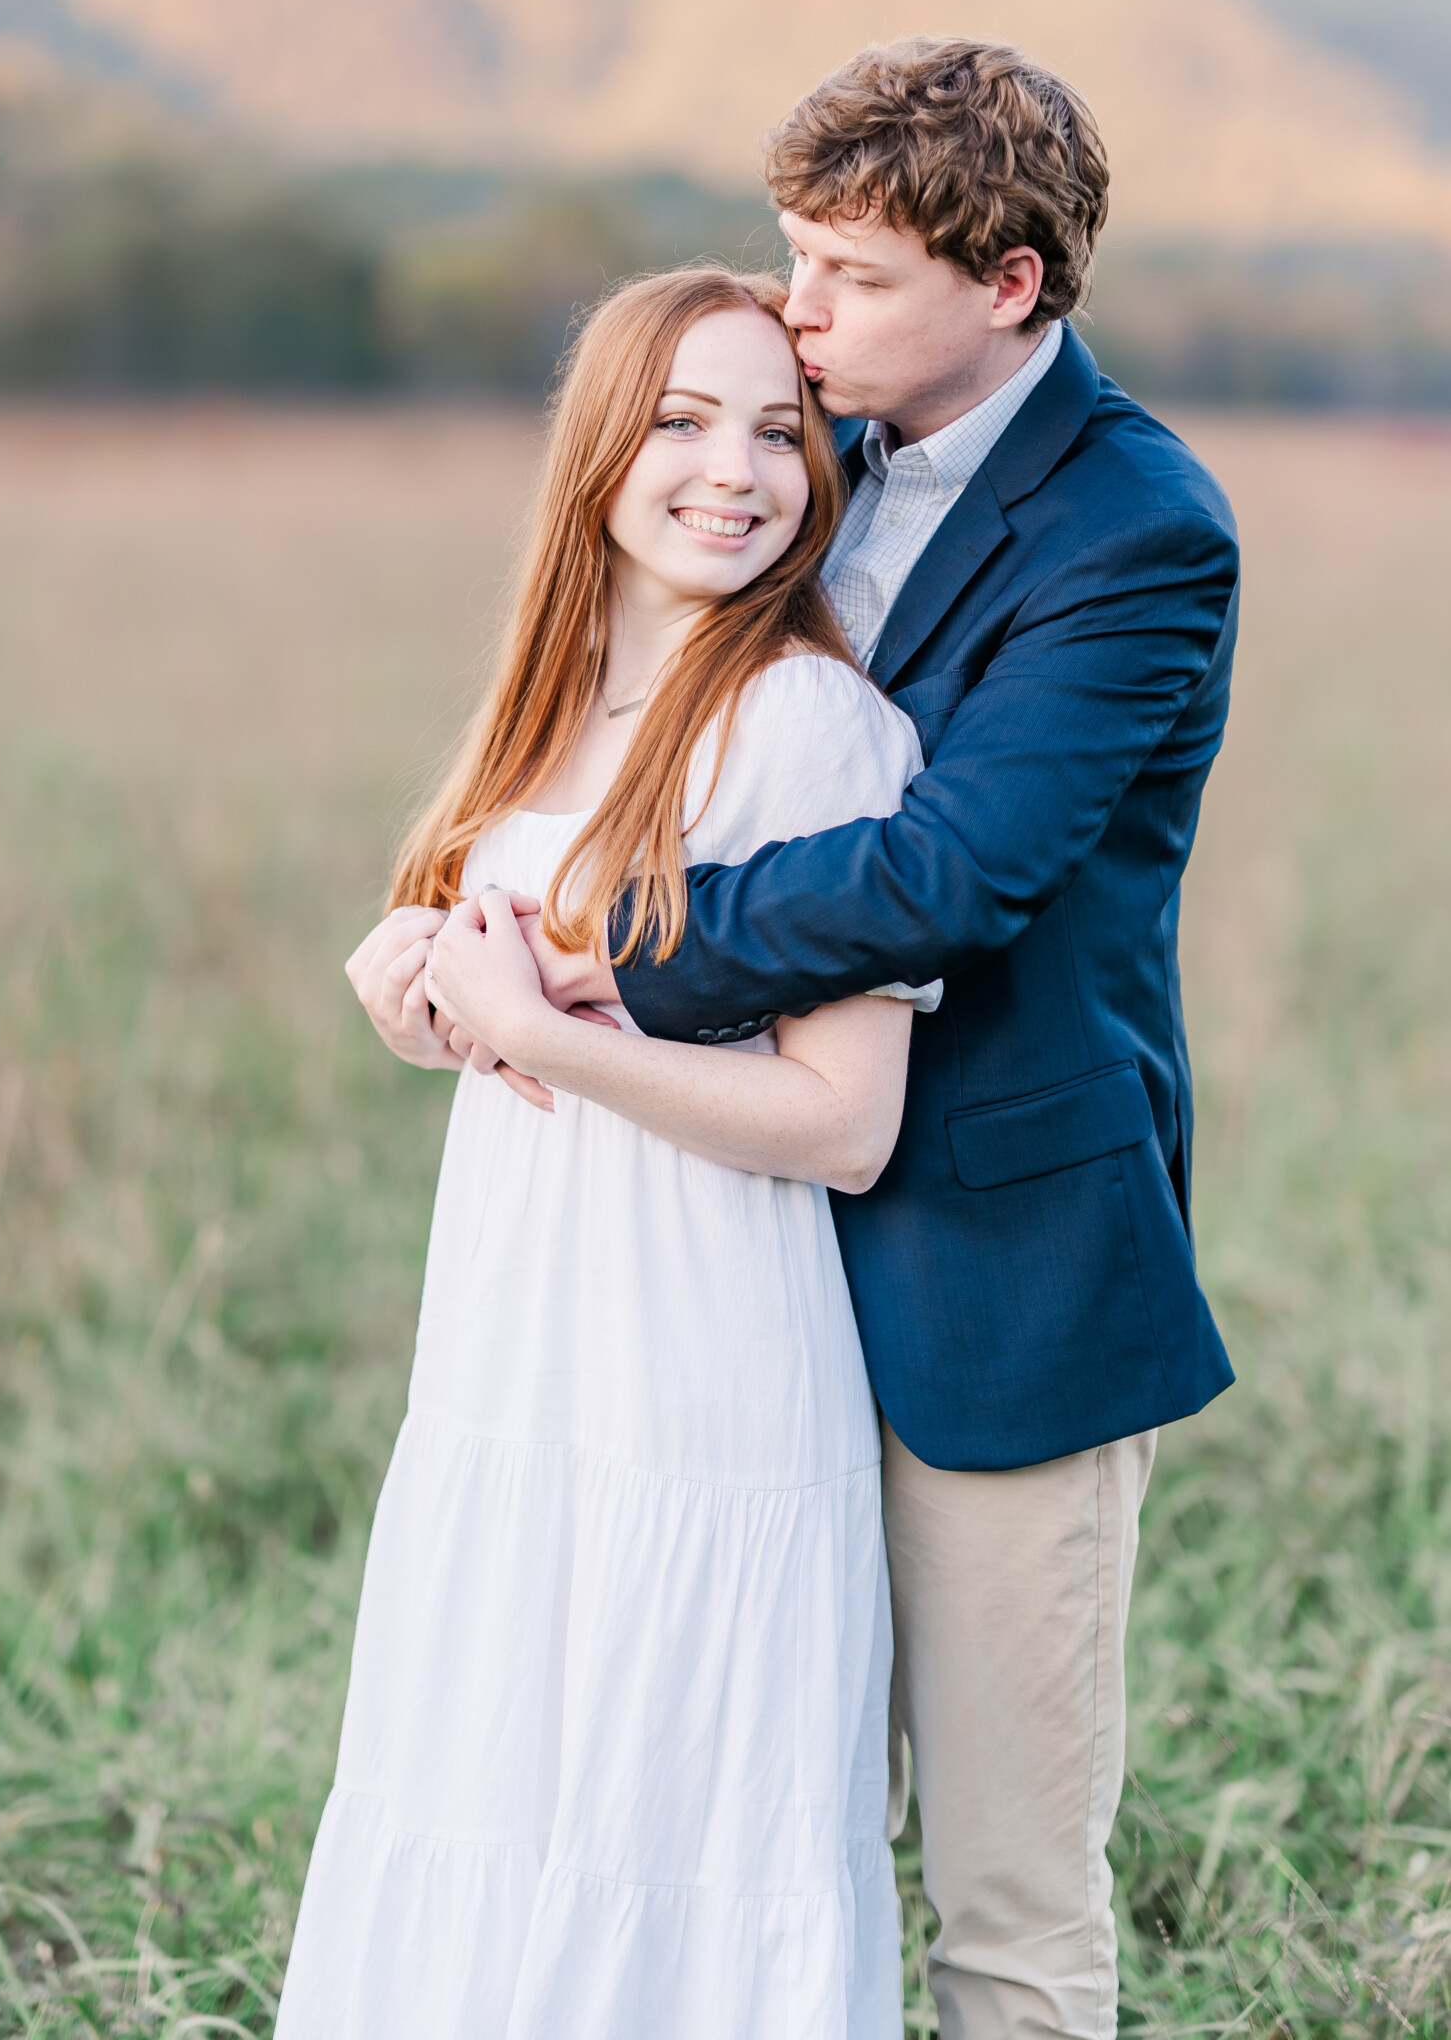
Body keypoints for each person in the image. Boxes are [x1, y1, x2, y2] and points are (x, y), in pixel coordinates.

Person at [357, 38, 1240, 2040]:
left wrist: (587, 961)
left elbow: (951, 866)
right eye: (792, 259)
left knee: (1002, 1903)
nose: (801, 310)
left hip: (979, 1267)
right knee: (734, 1832)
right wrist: (442, 931)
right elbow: (636, 752)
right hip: (709, 1292)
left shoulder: (1133, 528)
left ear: (1006, 282)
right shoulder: (799, 466)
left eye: (846, 272)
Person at [277, 266, 942, 2038]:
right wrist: (419, 991)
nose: (737, 471)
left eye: (779, 431)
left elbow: (846, 1124)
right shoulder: (547, 708)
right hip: (519, 1352)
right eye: (681, 421)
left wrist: (545, 1031)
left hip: (698, 1363)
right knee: (493, 1787)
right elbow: (516, 1004)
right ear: (597, 451)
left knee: (664, 1821)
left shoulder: (808, 724)